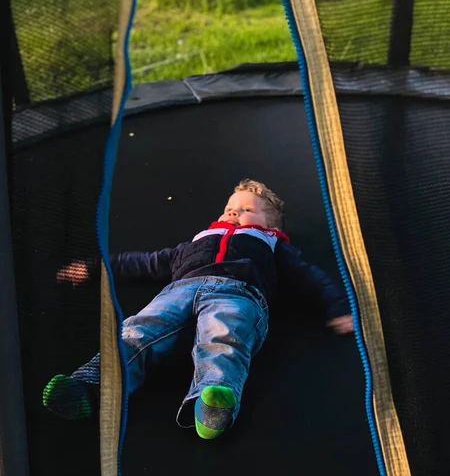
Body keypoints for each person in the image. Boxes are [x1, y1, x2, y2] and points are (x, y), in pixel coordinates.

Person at [43, 179, 354, 440]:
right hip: (180, 290)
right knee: (139, 330)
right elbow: (145, 261)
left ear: (270, 224)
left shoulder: (272, 244)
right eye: (230, 208)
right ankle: (88, 386)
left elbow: (310, 276)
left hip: (238, 293)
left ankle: (213, 403)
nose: (234, 212)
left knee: (223, 339)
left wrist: (336, 308)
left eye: (246, 210)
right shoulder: (195, 242)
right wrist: (95, 268)